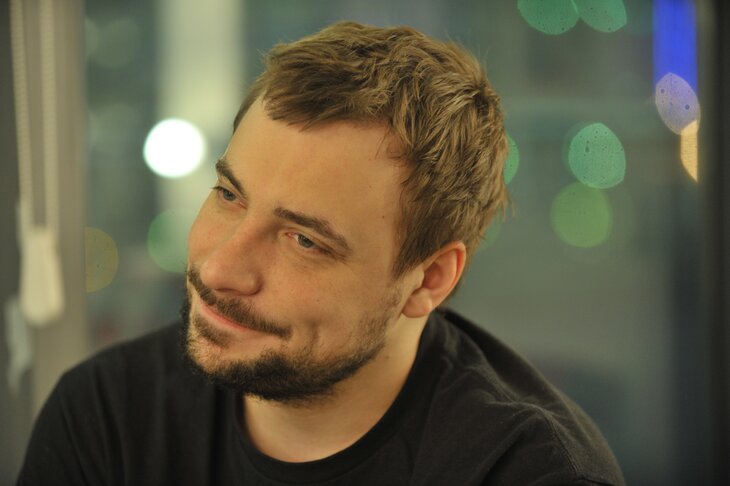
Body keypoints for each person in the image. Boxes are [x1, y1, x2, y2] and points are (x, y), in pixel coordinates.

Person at [18, 21, 625, 485]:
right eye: (228, 195)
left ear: (429, 280)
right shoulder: (108, 414)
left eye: (305, 240)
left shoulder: (527, 470)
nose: (220, 268)